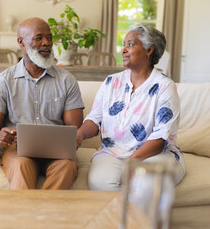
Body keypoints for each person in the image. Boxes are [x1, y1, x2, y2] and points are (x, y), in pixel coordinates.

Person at [77, 25, 186, 191]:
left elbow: (160, 137)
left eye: (130, 44)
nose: (123, 50)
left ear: (149, 50)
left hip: (156, 155)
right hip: (114, 152)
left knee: (145, 183)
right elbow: (95, 119)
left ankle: (138, 217)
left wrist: (132, 161)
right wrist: (80, 133)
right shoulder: (111, 82)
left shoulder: (164, 87)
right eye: (124, 45)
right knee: (100, 182)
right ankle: (119, 217)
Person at [0, 17, 84, 190]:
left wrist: (74, 139)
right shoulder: (4, 81)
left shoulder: (67, 80)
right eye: (39, 38)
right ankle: (28, 215)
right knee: (21, 165)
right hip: (18, 149)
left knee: (67, 165)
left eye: (49, 38)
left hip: (57, 151)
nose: (46, 43)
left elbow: (74, 128)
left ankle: (42, 215)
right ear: (21, 42)